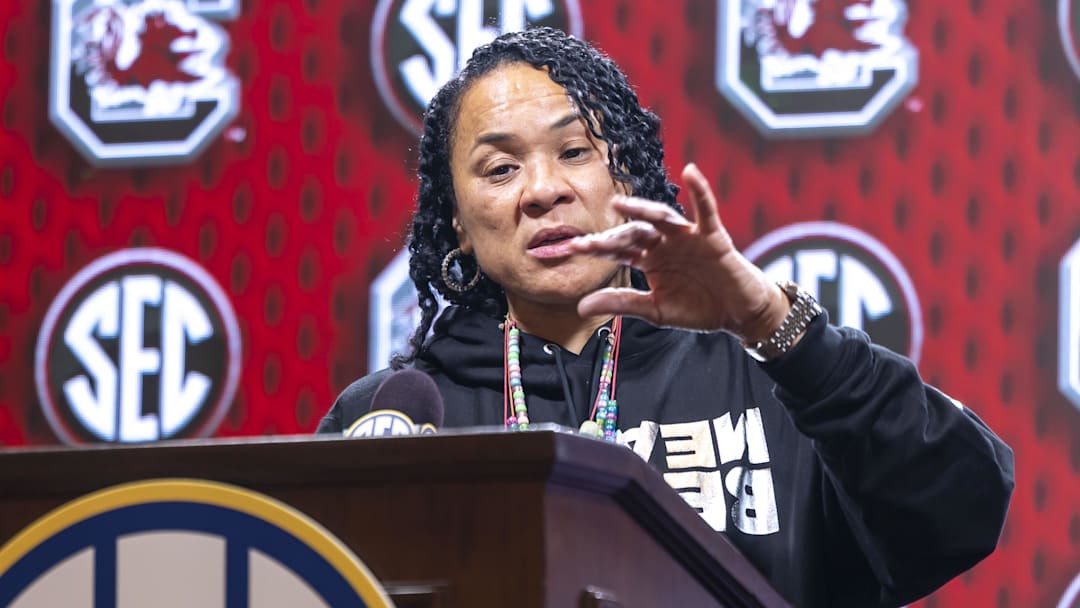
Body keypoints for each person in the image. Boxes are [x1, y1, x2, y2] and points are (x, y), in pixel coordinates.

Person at [318, 27, 1014, 607]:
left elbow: (960, 510)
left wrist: (776, 325)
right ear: (459, 224)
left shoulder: (772, 378)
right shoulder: (398, 414)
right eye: (500, 169)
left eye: (574, 151)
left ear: (628, 178)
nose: (543, 191)